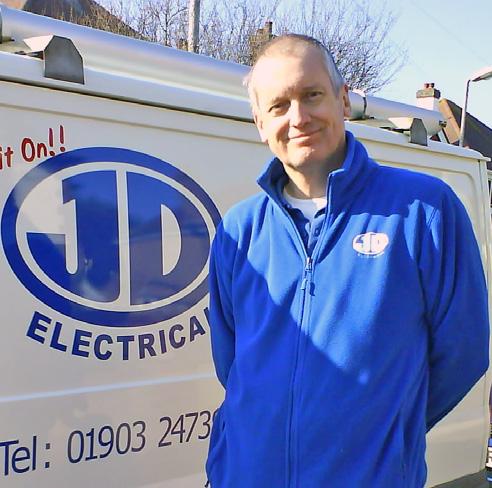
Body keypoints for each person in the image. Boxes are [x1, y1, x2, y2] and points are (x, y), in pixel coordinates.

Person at [205, 34, 489, 488]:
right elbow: (232, 363)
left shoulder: (424, 211)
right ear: (260, 122)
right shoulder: (238, 232)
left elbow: (465, 352)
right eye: (278, 105)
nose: (298, 117)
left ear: (342, 100)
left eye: (311, 95)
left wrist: (383, 434)